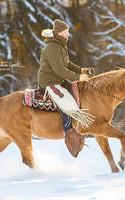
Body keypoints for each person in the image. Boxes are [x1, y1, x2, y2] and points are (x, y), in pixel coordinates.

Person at [37, 19, 94, 157]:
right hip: (49, 81)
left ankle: (76, 125)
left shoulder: (61, 45)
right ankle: (69, 133)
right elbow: (60, 70)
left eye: (67, 31)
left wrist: (81, 71)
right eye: (66, 31)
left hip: (58, 80)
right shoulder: (52, 48)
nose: (68, 34)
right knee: (66, 103)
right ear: (60, 33)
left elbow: (67, 64)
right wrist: (78, 77)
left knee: (77, 94)